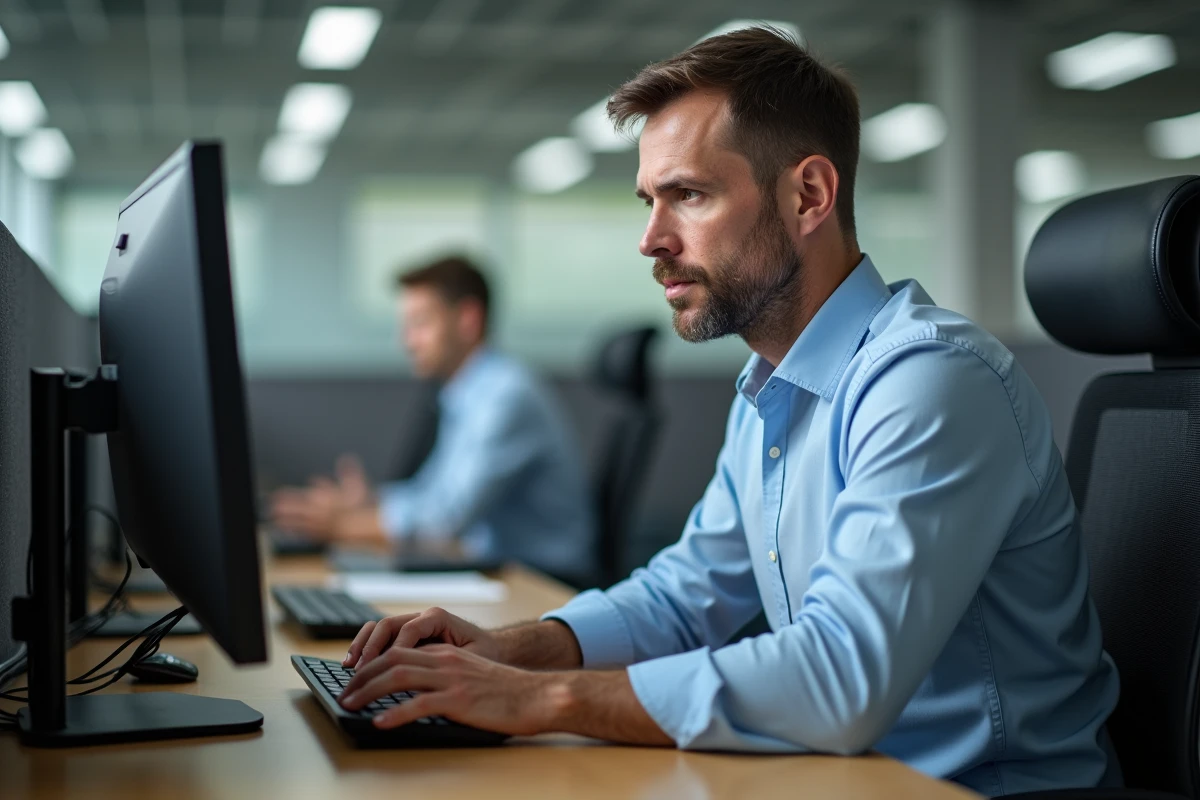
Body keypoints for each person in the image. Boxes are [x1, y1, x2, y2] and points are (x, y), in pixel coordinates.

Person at [334, 28, 1119, 795]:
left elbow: (840, 679)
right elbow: (687, 596)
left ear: (808, 195)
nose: (650, 239)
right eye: (649, 201)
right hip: (849, 776)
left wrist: (540, 700)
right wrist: (512, 651)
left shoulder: (930, 380)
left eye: (689, 195)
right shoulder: (769, 384)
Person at [270, 256, 595, 585]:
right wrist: (372, 502)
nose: (406, 341)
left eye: (420, 324)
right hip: (498, 571)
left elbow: (445, 520)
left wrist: (343, 525)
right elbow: (434, 494)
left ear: (468, 319)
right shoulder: (466, 393)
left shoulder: (506, 397)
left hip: (541, 581)